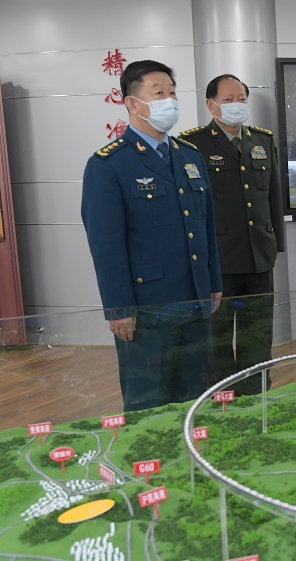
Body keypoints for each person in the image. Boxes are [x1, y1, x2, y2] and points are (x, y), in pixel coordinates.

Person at [81, 60, 223, 411]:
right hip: (147, 310)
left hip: (195, 301)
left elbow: (206, 226)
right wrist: (119, 309)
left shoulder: (189, 156)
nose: (169, 101)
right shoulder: (108, 165)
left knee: (196, 399)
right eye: (158, 93)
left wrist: (213, 283)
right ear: (132, 103)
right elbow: (106, 247)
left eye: (172, 93)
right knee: (150, 402)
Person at [180, 74, 284, 395]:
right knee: (219, 336)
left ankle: (256, 392)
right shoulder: (192, 144)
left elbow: (273, 196)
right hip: (218, 258)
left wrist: (275, 243)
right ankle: (222, 394)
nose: (237, 104)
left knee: (258, 332)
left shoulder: (261, 140)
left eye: (241, 98)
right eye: (228, 99)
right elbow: (190, 206)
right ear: (211, 105)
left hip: (259, 255)